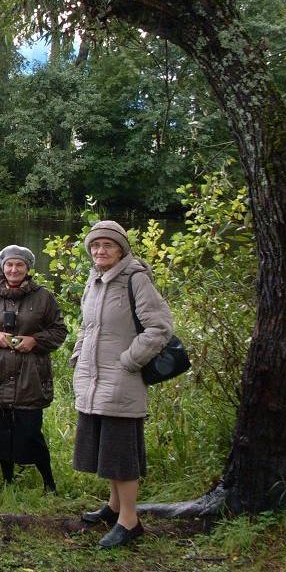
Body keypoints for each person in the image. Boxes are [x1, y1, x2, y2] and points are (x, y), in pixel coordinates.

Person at [71, 221, 173, 548]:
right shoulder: (95, 278)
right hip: (93, 376)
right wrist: (78, 355)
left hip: (121, 379)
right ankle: (114, 508)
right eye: (95, 246)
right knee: (106, 447)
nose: (100, 251)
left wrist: (129, 361)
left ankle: (130, 521)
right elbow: (87, 326)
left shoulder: (136, 279)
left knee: (120, 452)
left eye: (108, 246)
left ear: (121, 249)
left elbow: (159, 327)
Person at [0, 244, 67, 492]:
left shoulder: (44, 297)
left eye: (19, 265)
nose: (14, 269)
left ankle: (49, 483)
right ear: (2, 269)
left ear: (27, 269)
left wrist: (35, 341)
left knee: (30, 432)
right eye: (9, 265)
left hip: (31, 375)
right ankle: (7, 480)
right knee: (2, 432)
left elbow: (59, 331)